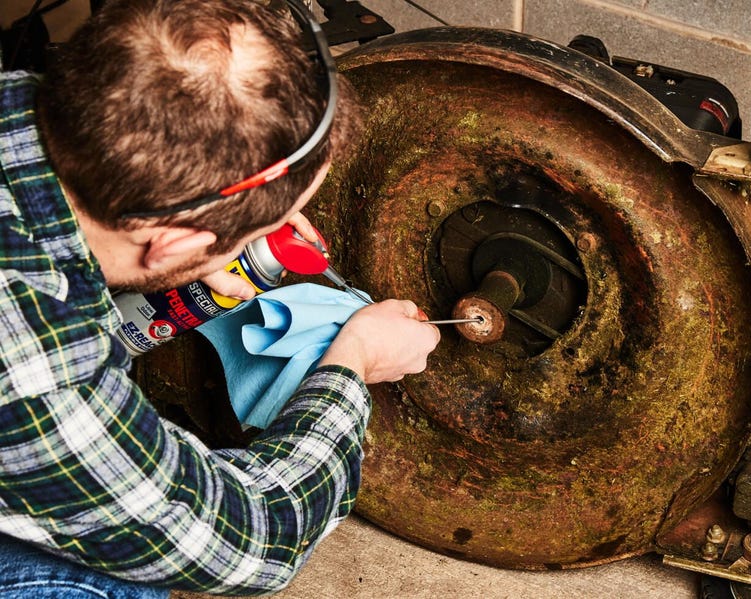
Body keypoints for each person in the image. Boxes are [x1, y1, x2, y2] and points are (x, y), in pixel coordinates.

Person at [0, 0, 440, 596]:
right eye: (263, 231)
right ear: (169, 243)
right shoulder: (33, 368)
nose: (276, 237)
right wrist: (354, 361)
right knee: (108, 579)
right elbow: (248, 540)